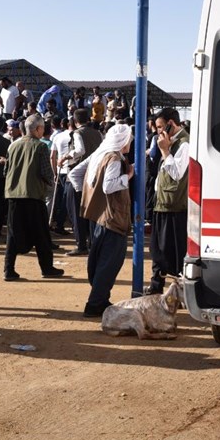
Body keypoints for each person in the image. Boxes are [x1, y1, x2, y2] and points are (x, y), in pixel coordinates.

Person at [77, 124, 133, 316]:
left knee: (101, 260)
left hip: (100, 217)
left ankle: (100, 298)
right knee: (110, 263)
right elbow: (109, 187)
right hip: (113, 217)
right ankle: (95, 303)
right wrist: (128, 176)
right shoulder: (114, 158)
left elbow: (76, 174)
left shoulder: (101, 154)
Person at [2, 114, 65, 280]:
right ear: (37, 129)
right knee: (41, 234)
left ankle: (9, 269)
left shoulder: (13, 146)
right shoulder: (41, 147)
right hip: (34, 195)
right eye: (43, 127)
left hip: (14, 195)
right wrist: (51, 182)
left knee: (13, 233)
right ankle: (47, 268)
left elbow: (6, 171)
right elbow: (46, 172)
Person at [149, 107, 190, 294]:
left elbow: (176, 175)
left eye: (160, 127)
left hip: (174, 207)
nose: (158, 132)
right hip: (163, 204)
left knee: (172, 253)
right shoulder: (173, 142)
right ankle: (156, 287)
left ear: (171, 124)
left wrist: (165, 151)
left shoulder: (184, 144)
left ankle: (176, 292)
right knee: (158, 251)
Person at [62, 108, 102, 256]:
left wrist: (66, 156)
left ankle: (81, 245)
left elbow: (80, 150)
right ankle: (92, 242)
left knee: (75, 210)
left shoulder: (78, 133)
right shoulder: (98, 134)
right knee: (91, 210)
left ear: (75, 121)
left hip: (77, 176)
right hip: (93, 176)